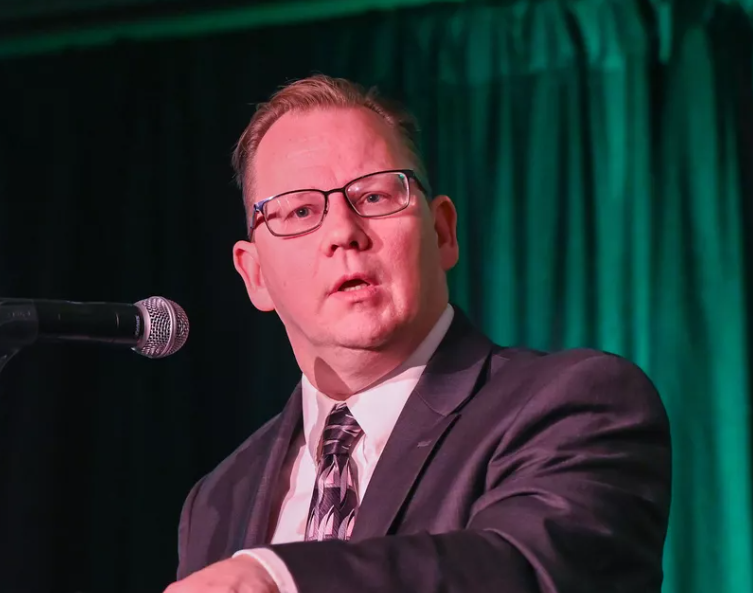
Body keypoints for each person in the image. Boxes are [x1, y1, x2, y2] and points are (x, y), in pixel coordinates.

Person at [164, 75, 671, 593]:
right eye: (300, 211)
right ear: (255, 276)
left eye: (377, 196)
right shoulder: (217, 499)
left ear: (442, 232)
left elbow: (534, 571)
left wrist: (280, 579)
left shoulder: (576, 404)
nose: (344, 232)